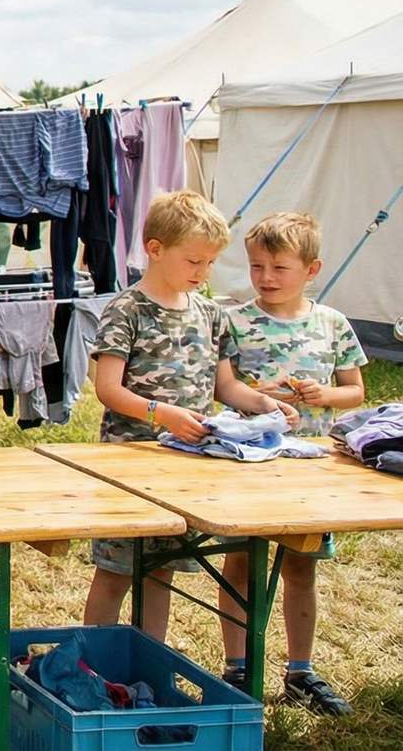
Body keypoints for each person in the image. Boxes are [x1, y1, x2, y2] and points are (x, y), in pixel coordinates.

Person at [81, 191, 298, 639]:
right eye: (194, 261)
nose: (202, 273)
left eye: (211, 263)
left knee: (161, 571)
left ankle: (148, 665)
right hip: (129, 467)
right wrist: (162, 414)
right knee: (116, 571)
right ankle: (93, 665)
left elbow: (226, 386)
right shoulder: (127, 309)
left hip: (186, 469)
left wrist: (262, 403)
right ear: (155, 250)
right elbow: (107, 389)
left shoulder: (210, 313)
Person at [216, 212, 365, 714]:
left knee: (301, 568)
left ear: (312, 269)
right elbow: (222, 386)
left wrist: (326, 394)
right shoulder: (234, 321)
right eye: (257, 266)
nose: (266, 278)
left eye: (279, 267)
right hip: (250, 464)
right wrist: (256, 395)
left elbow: (356, 391)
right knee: (239, 564)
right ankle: (237, 668)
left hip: (311, 469)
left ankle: (301, 671)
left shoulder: (332, 323)